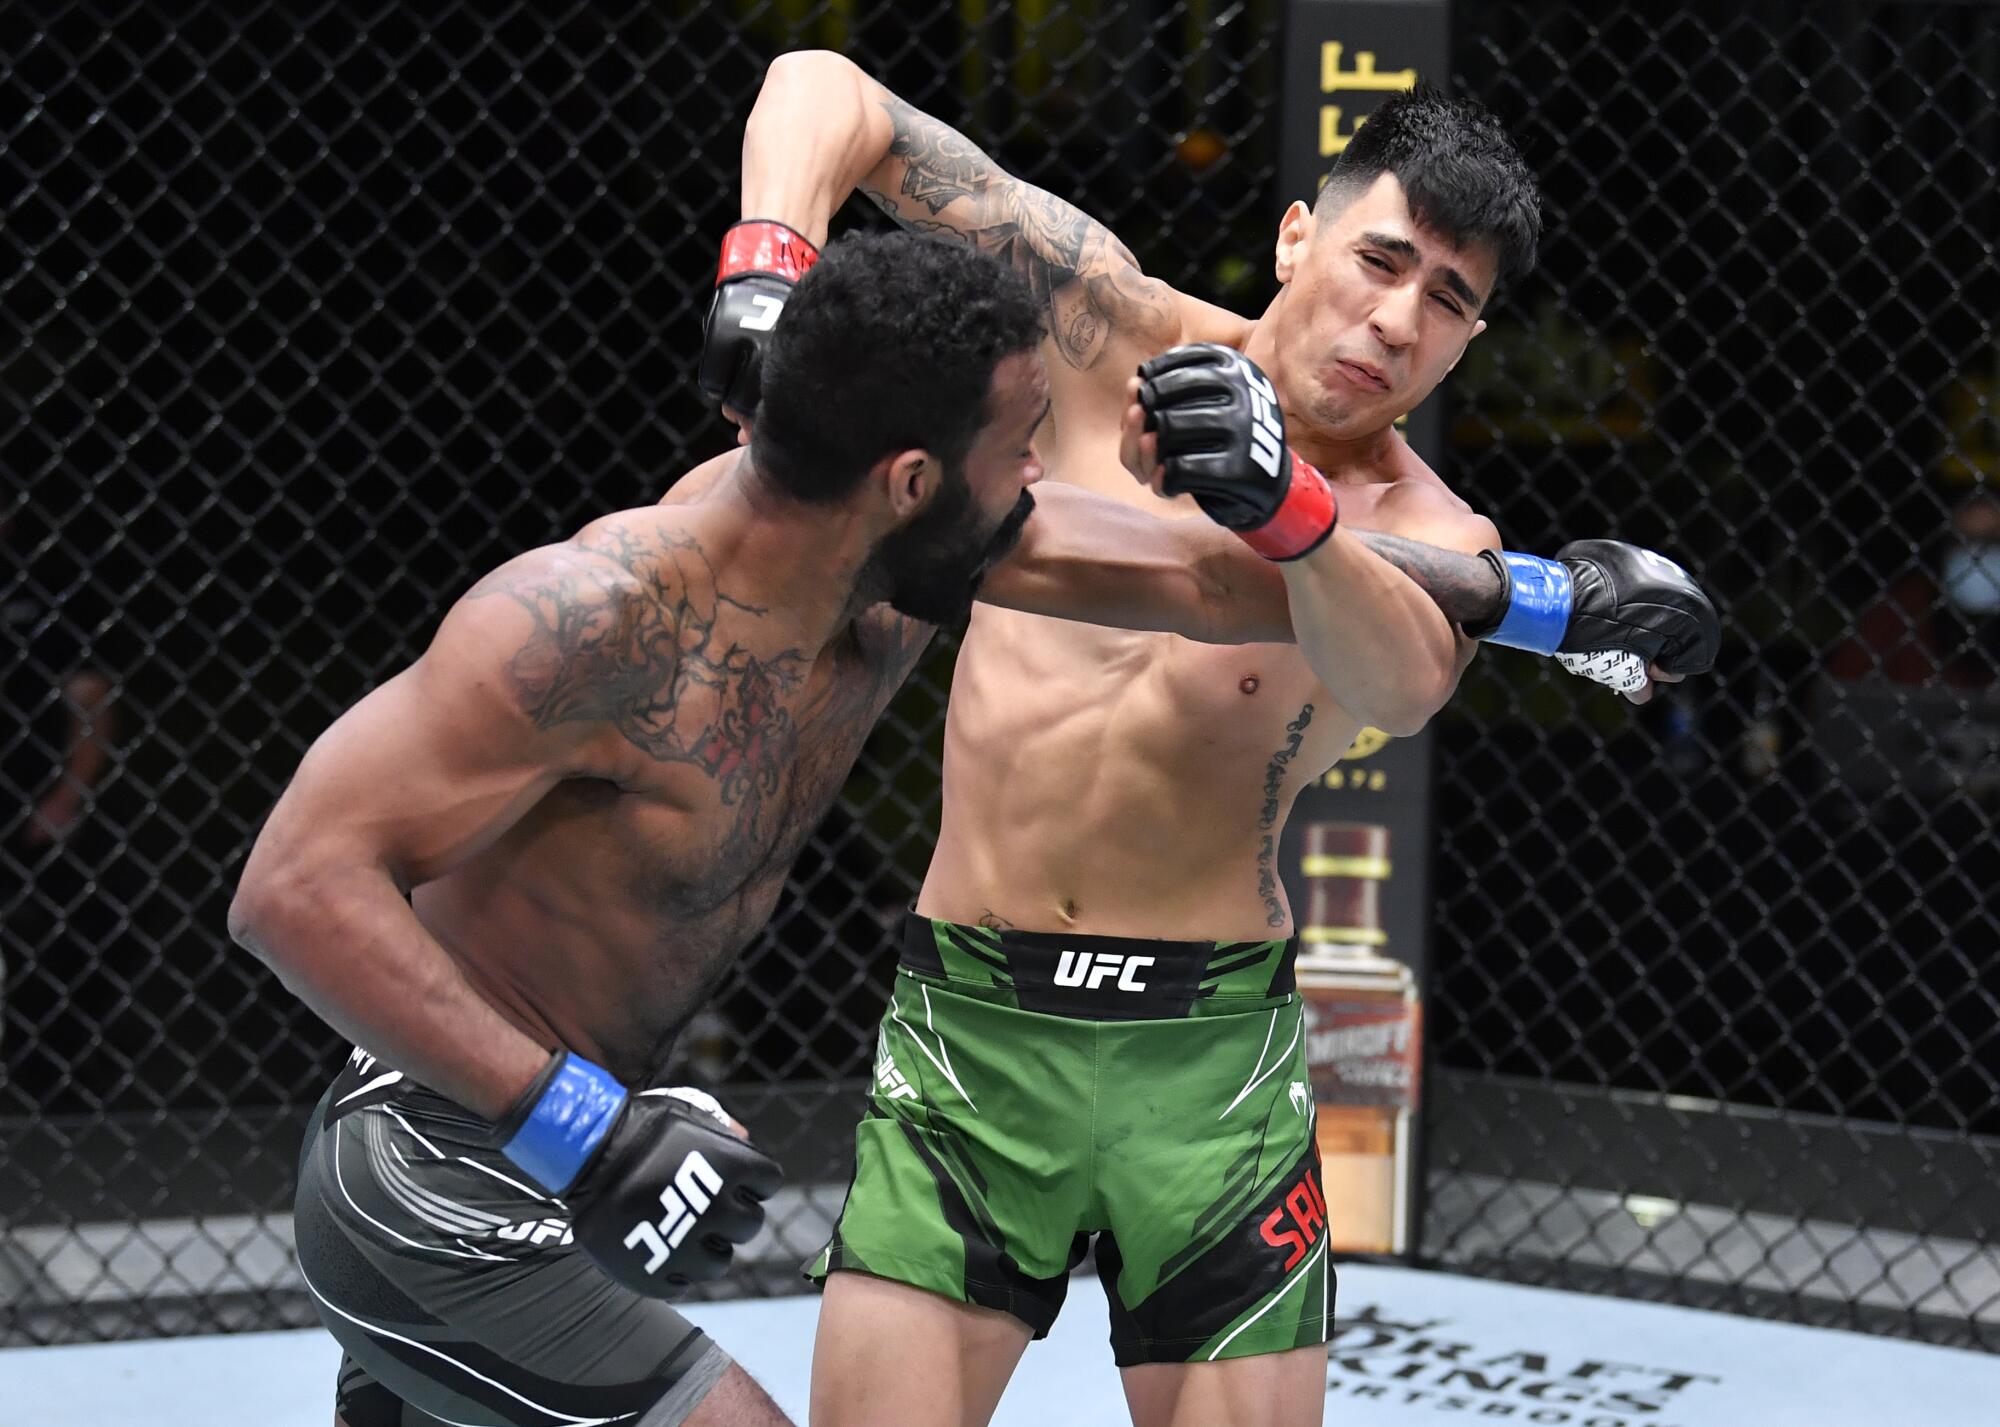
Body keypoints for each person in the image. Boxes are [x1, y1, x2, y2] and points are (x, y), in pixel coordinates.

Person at [233, 230, 1662, 1427]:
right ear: (915, 478)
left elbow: (1230, 585)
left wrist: (1543, 603)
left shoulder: (915, 555)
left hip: (563, 1164)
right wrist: (584, 1129)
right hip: (428, 1175)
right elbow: (293, 886)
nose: (1043, 480)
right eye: (1023, 447)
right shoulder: (599, 620)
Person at [723, 55, 1716, 1427]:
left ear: (1470, 342)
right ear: (1297, 235)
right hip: (971, 1033)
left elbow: (1407, 678)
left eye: (1449, 300)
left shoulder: (1432, 539)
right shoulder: (1097, 327)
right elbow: (828, 90)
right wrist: (768, 270)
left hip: (1207, 1074)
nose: (1395, 318)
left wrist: (1286, 508)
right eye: (1379, 258)